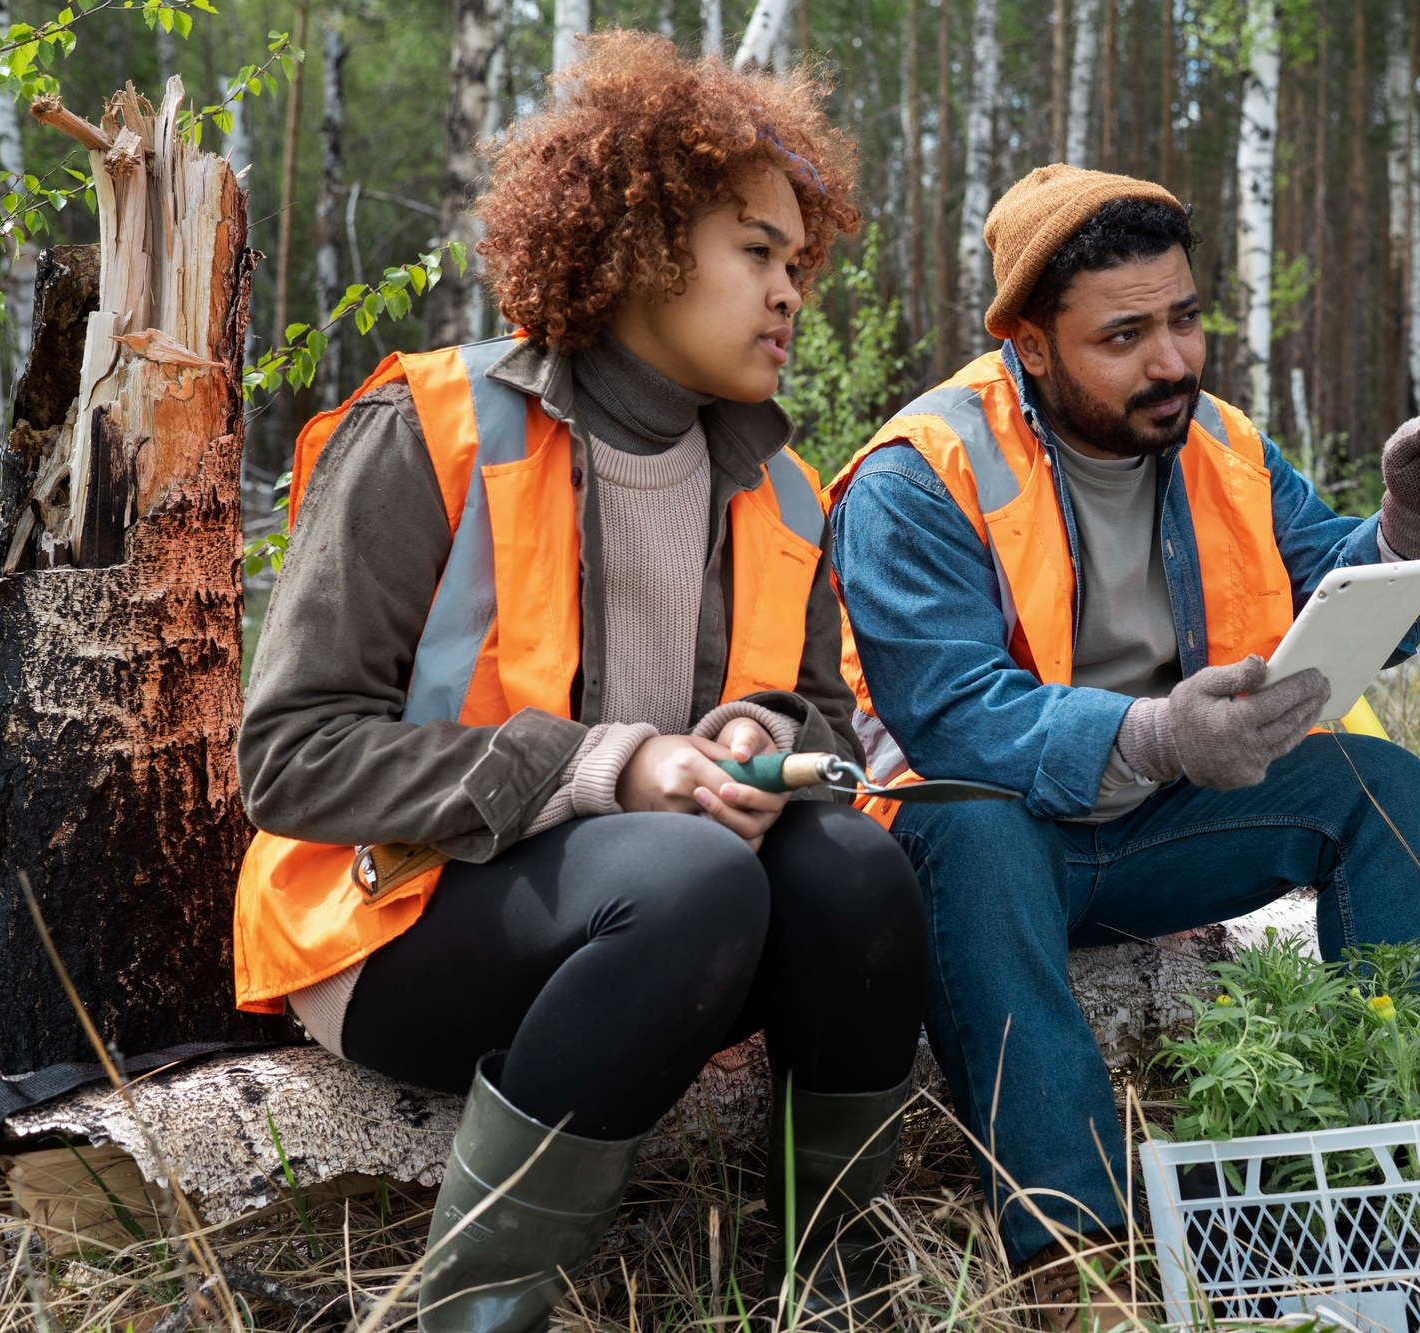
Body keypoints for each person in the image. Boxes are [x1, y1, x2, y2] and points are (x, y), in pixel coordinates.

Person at [231, 36, 924, 1333]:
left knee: (857, 873)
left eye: (799, 264)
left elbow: (819, 712)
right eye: (757, 253)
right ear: (643, 241)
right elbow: (291, 757)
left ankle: (836, 1287)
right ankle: (467, 1313)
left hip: (654, 932)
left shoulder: (776, 483)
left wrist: (751, 737)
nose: (790, 294)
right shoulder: (428, 430)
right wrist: (608, 766)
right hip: (398, 917)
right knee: (694, 875)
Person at [824, 166, 1420, 1330]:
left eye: (1184, 318)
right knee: (970, 820)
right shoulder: (915, 476)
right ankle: (1076, 1262)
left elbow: (1335, 586)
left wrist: (1413, 524)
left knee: (1375, 784)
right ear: (1030, 347)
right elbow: (955, 718)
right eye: (1125, 335)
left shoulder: (1219, 441)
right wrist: (1155, 731)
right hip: (982, 846)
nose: (1173, 361)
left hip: (1154, 831)